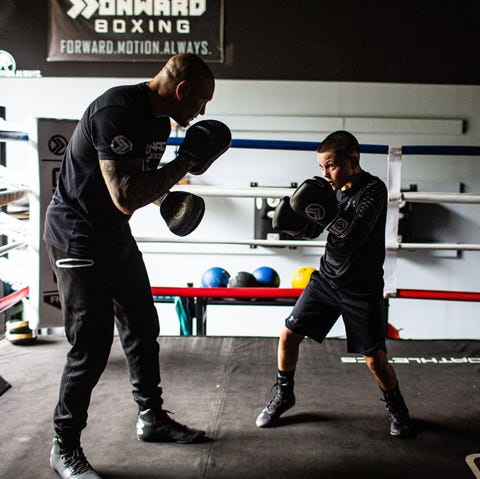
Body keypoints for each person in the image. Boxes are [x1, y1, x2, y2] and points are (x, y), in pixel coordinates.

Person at [44, 53, 231, 479]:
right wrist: (186, 163)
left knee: (142, 325)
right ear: (182, 90)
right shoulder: (117, 111)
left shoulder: (159, 123)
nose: (201, 113)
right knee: (91, 345)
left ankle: (152, 418)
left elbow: (141, 181)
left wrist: (171, 200)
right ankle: (64, 446)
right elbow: (126, 195)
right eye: (201, 102)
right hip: (77, 234)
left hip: (113, 234)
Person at [256, 130, 411, 438]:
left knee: (375, 360)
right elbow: (315, 231)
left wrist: (323, 214)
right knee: (288, 335)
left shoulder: (374, 190)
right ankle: (284, 395)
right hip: (327, 279)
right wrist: (294, 226)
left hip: (362, 287)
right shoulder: (331, 189)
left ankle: (398, 409)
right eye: (321, 167)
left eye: (331, 165)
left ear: (353, 160)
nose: (325, 174)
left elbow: (356, 233)